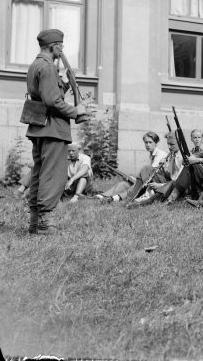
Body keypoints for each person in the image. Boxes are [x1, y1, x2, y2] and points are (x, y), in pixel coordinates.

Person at [25, 29, 87, 234]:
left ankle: (35, 222)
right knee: (54, 176)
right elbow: (52, 101)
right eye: (60, 45)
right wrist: (75, 111)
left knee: (40, 174)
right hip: (52, 128)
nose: (62, 50)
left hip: (39, 128)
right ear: (53, 46)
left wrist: (67, 83)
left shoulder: (36, 65)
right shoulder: (49, 67)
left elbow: (48, 93)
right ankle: (45, 223)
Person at [161, 123, 203, 205]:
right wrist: (187, 158)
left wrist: (197, 160)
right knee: (189, 165)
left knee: (200, 164)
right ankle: (171, 199)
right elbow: (196, 156)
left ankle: (202, 201)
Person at [97, 131, 167, 201]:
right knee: (124, 184)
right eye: (146, 142)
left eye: (150, 142)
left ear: (155, 143)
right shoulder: (151, 155)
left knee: (133, 185)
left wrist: (136, 180)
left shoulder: (160, 155)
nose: (148, 145)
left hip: (158, 183)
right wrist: (132, 178)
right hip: (148, 181)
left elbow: (151, 174)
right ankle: (102, 196)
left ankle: (116, 198)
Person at [124, 132, 183, 207]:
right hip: (168, 183)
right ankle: (133, 197)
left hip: (175, 186)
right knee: (146, 169)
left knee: (147, 170)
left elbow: (178, 180)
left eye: (172, 144)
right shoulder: (172, 155)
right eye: (168, 144)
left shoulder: (182, 157)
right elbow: (169, 174)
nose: (169, 147)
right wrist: (164, 166)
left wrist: (160, 185)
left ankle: (141, 199)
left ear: (179, 143)